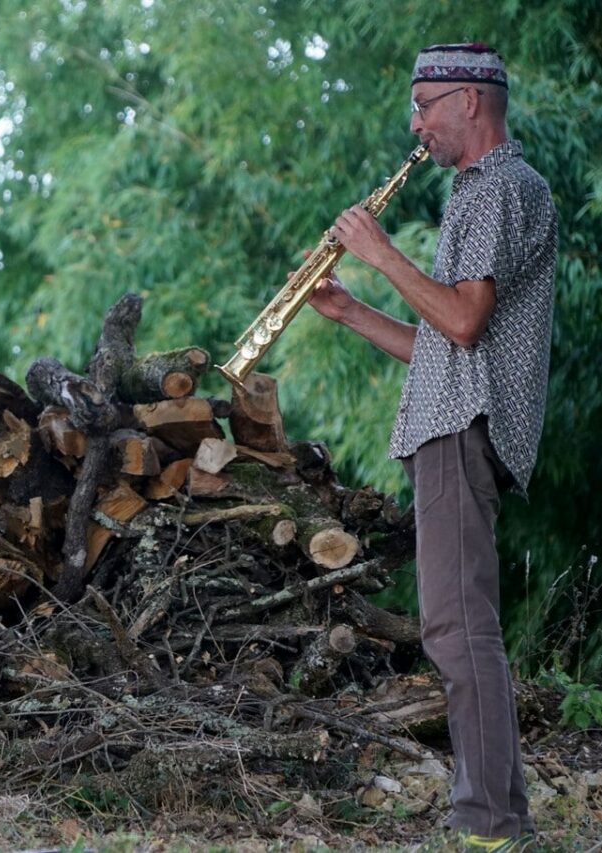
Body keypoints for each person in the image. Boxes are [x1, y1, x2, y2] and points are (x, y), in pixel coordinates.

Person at [307, 44, 556, 851]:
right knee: (465, 625)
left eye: (423, 106)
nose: (415, 125)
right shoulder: (488, 193)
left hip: (460, 430)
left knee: (455, 629)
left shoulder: (492, 190)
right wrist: (351, 312)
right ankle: (501, 817)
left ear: (470, 102)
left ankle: (485, 824)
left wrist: (379, 254)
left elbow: (459, 320)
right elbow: (442, 343)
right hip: (456, 419)